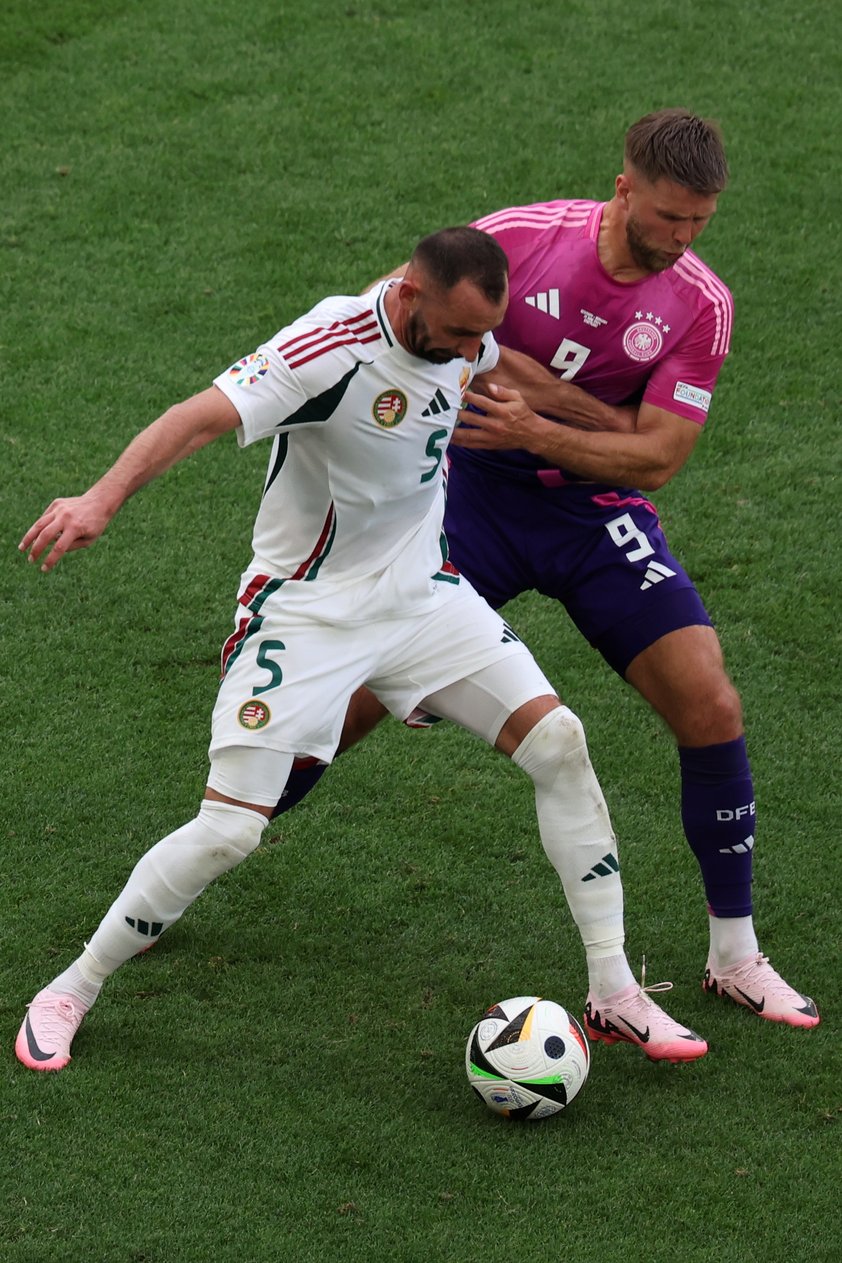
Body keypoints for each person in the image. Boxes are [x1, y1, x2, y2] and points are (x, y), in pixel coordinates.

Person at [15, 227, 706, 1074]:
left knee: (560, 741)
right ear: (411, 294)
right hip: (306, 614)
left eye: (479, 336)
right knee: (230, 831)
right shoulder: (329, 349)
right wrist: (99, 499)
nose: (470, 352)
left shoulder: (470, 331)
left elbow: (490, 366)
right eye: (455, 336)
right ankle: (73, 988)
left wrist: (576, 423)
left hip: (423, 596)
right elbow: (196, 419)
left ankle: (613, 991)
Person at [275, 110, 820, 1031]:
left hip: (591, 513)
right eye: (668, 219)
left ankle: (736, 953)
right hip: (468, 496)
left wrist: (540, 413)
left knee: (710, 704)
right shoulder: (522, 241)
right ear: (624, 187)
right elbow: (399, 310)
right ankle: (218, 839)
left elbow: (655, 462)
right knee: (345, 703)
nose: (682, 241)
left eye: (700, 223)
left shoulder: (701, 303)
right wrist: (581, 416)